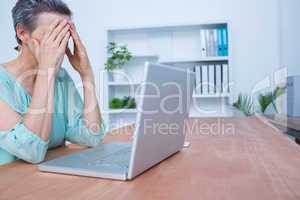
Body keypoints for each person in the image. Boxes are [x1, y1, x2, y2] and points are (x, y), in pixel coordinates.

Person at [0, 0, 106, 165]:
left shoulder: (60, 77)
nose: (59, 44)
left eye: (64, 35)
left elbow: (92, 137)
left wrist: (86, 74)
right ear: (22, 33)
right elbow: (31, 151)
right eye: (52, 35)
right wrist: (47, 71)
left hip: (48, 184)